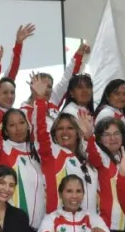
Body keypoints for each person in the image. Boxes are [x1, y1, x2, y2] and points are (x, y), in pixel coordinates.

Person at [32, 76, 99, 214]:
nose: (65, 132)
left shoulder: (87, 156)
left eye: (70, 128)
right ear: (54, 134)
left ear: (77, 132)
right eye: (60, 128)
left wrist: (89, 137)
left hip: (87, 228)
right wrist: (39, 100)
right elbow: (40, 130)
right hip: (57, 229)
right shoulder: (51, 154)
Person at [86, 117, 125, 232]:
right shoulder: (104, 160)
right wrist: (88, 136)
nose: (112, 138)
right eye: (106, 134)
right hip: (110, 227)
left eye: (116, 133)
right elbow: (93, 152)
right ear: (100, 139)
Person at [0, 108, 46, 230]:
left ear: (28, 125)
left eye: (21, 122)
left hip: (41, 228)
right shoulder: (4, 149)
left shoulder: (37, 150)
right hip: (14, 227)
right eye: (12, 125)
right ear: (5, 130)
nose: (18, 128)